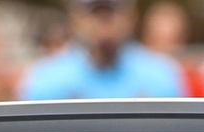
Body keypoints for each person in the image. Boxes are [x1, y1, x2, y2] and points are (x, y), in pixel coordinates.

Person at [19, 0, 185, 100]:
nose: (104, 22)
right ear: (76, 19)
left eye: (111, 11)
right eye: (95, 12)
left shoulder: (163, 75)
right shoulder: (44, 80)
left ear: (131, 18)